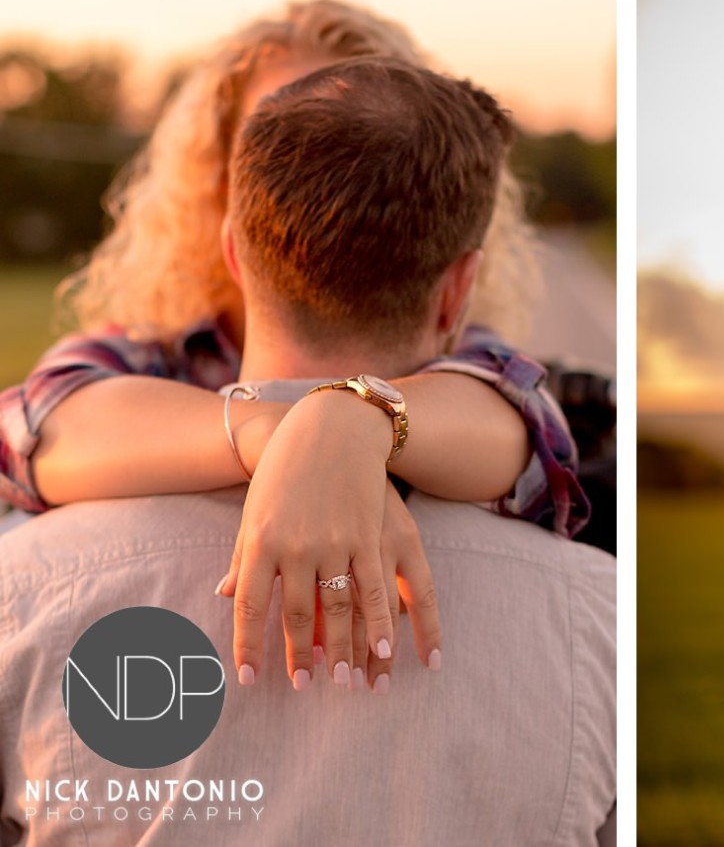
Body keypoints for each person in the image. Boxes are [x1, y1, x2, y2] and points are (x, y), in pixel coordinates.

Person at [0, 57, 617, 845]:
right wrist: (296, 428)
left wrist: (333, 418)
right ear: (459, 289)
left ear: (233, 252)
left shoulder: (21, 592)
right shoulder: (600, 618)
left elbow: (31, 429)